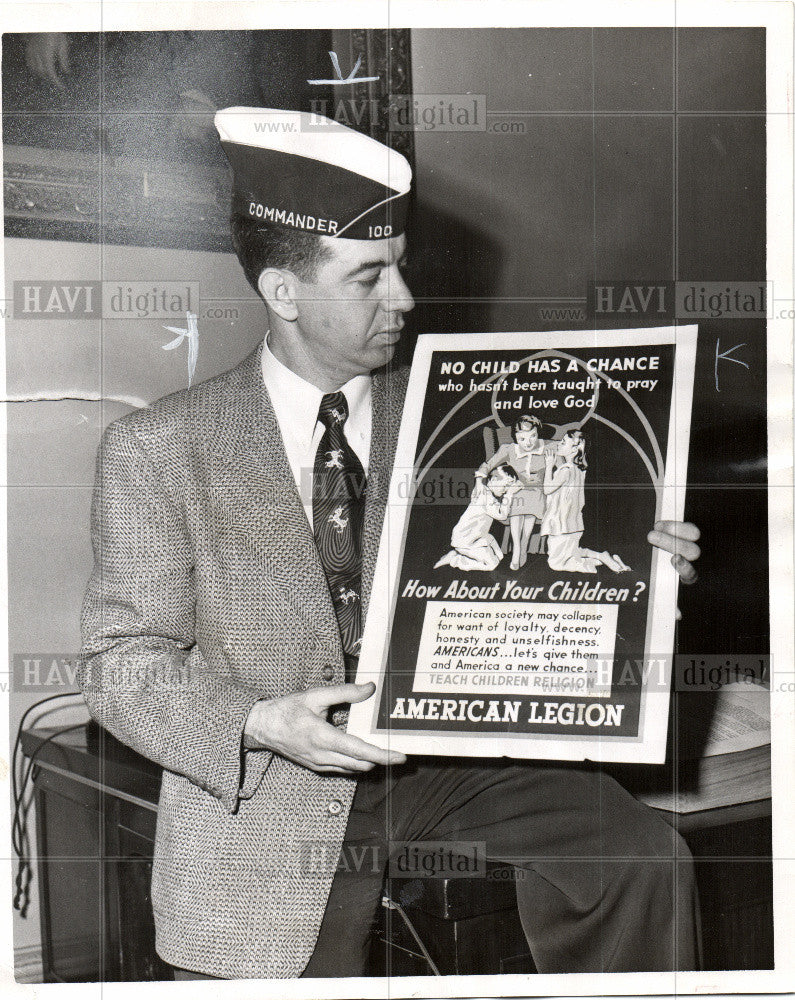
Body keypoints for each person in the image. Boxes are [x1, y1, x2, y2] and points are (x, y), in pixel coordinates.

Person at [79, 106, 703, 980]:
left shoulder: (456, 409)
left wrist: (641, 568)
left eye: (400, 270)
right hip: (271, 785)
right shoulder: (160, 447)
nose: (404, 300)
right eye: (369, 276)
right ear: (283, 292)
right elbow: (121, 663)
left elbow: (526, 561)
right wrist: (261, 721)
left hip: (446, 762)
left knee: (641, 859)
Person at [541, 429, 631, 573]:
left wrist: (549, 466)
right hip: (572, 523)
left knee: (555, 564)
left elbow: (547, 489)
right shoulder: (579, 469)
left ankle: (602, 560)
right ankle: (606, 559)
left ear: (575, 449)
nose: (559, 444)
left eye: (563, 442)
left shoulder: (565, 470)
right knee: (572, 553)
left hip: (561, 523)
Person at [476, 414, 549, 570]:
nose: (528, 443)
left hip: (538, 492)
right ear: (515, 437)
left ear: (537, 433)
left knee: (531, 507)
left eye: (532, 437)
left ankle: (524, 545)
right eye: (522, 439)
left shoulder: (547, 447)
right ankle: (518, 549)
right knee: (517, 499)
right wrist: (480, 477)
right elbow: (488, 465)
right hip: (517, 490)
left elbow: (569, 450)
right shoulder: (508, 449)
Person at [434, 464, 521, 571]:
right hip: (466, 540)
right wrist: (510, 494)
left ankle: (459, 554)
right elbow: (502, 516)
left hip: (475, 537)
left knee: (499, 556)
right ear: (493, 480)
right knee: (492, 565)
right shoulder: (484, 495)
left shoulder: (486, 493)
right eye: (506, 485)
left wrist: (479, 479)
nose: (506, 490)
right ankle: (455, 560)